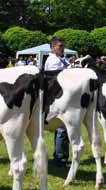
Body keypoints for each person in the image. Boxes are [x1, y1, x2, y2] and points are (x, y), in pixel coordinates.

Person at [44, 36, 70, 167]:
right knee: (62, 128)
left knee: (62, 128)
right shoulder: (53, 60)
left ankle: (60, 155)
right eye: (60, 46)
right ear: (53, 47)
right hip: (56, 96)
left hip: (60, 95)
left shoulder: (60, 59)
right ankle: (60, 158)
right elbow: (60, 77)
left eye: (63, 45)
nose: (62, 48)